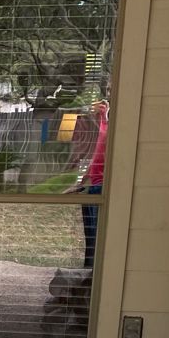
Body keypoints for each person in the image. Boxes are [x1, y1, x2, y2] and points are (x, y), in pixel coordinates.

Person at [68, 99, 109, 269]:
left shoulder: (115, 127)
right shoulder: (102, 123)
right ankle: (87, 280)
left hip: (100, 189)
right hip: (93, 186)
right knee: (91, 239)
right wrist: (81, 181)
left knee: (98, 239)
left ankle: (93, 279)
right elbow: (96, 157)